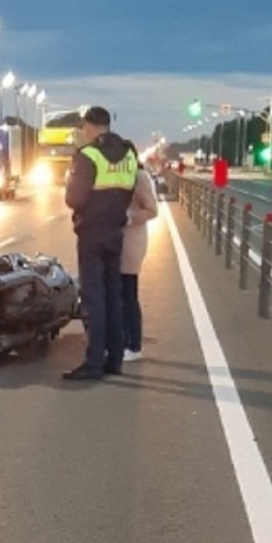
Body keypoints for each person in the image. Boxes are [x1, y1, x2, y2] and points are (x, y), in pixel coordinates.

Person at [62, 106, 138, 381]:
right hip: (116, 231)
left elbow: (74, 199)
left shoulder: (88, 155)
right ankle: (115, 359)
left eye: (83, 127)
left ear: (91, 126)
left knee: (94, 299)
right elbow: (130, 189)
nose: (83, 132)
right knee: (113, 297)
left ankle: (94, 363)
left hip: (92, 233)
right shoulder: (130, 153)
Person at [120, 165, 158, 362]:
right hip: (116, 242)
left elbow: (152, 209)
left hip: (131, 242)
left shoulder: (139, 176)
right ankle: (122, 340)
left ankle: (134, 345)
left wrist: (128, 217)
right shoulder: (118, 175)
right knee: (118, 295)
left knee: (128, 294)